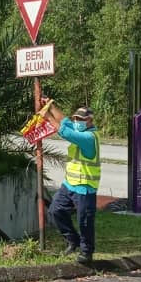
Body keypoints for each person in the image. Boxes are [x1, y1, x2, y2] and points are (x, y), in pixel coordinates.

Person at [40, 100, 101, 264]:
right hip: (69, 185)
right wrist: (50, 105)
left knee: (85, 222)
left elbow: (65, 132)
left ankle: (86, 252)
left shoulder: (88, 137)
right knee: (55, 211)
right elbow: (64, 122)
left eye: (81, 119)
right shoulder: (79, 128)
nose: (77, 122)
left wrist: (47, 117)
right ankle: (73, 241)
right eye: (76, 118)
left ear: (90, 121)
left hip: (85, 187)